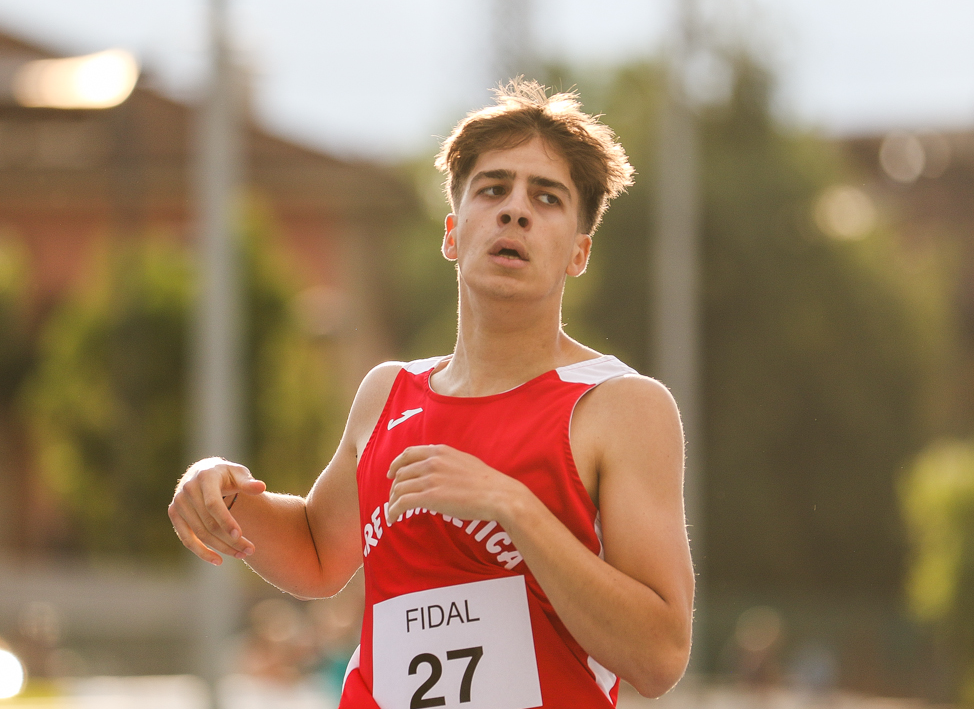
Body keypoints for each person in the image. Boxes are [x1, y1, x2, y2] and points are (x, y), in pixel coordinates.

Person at [168, 80, 695, 708]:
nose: (515, 211)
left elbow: (660, 659)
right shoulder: (388, 392)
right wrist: (220, 493)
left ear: (578, 252)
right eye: (493, 189)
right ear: (452, 233)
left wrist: (513, 506)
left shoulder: (619, 406)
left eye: (546, 198)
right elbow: (317, 554)